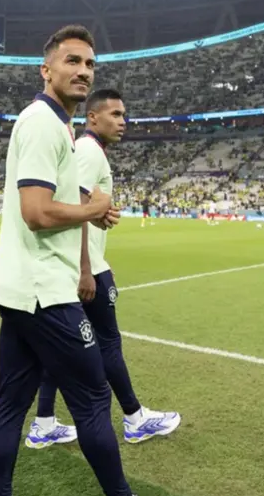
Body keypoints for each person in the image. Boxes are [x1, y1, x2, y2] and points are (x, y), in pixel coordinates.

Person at [0, 25, 189, 496]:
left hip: (19, 288)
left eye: (90, 64)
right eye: (72, 61)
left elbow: (53, 200)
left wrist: (90, 207)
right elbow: (36, 212)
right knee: (94, 397)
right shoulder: (42, 123)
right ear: (46, 70)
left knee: (10, 404)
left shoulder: (58, 130)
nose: (83, 71)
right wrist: (91, 209)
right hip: (44, 292)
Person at [27, 88, 180, 450]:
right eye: (115, 115)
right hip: (89, 268)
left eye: (124, 115)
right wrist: (85, 269)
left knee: (56, 352)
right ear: (92, 117)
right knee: (108, 343)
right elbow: (78, 208)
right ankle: (134, 418)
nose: (123, 122)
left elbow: (83, 206)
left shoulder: (89, 151)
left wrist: (101, 212)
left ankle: (44, 423)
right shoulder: (90, 152)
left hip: (81, 266)